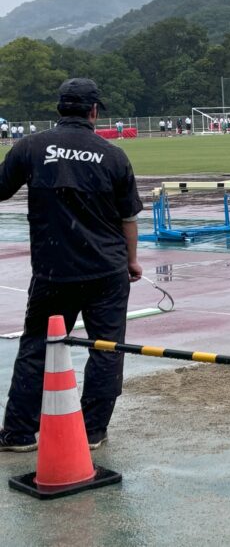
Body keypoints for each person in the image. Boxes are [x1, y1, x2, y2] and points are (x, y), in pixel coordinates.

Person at [0, 78, 144, 452]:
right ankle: (93, 430)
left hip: (53, 270)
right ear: (94, 111)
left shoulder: (30, 146)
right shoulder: (113, 156)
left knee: (36, 347)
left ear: (59, 108)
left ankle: (18, 434)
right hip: (107, 269)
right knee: (107, 348)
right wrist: (132, 261)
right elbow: (129, 218)